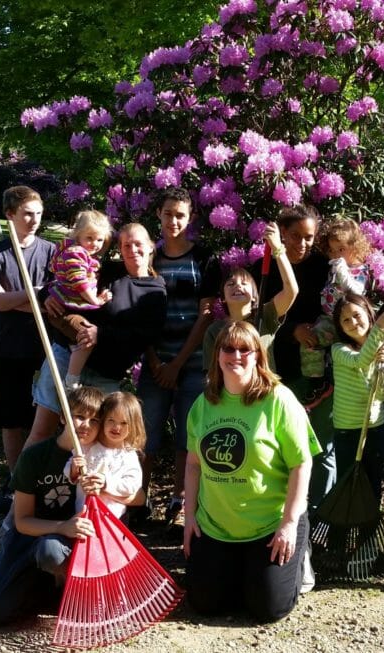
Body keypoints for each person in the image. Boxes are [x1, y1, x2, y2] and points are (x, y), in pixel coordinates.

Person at [183, 321, 319, 622]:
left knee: (268, 609)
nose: (236, 355)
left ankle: (299, 557)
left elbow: (302, 463)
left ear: (258, 355)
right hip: (216, 526)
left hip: (269, 525)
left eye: (245, 349)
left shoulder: (279, 400)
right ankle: (243, 571)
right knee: (204, 603)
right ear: (217, 355)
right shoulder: (204, 403)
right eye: (228, 348)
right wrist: (189, 516)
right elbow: (193, 465)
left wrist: (288, 523)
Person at [26, 222, 168, 447]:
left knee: (99, 442)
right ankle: (19, 482)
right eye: (126, 245)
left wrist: (101, 334)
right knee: (43, 431)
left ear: (151, 246)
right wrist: (46, 295)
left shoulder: (156, 291)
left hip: (106, 374)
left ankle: (82, 483)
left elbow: (143, 336)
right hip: (66, 357)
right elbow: (67, 279)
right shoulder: (107, 271)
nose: (132, 250)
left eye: (138, 244)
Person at [0, 385, 99, 625]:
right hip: (31, 536)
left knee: (52, 552)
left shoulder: (102, 458)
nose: (86, 424)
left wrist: (106, 486)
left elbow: (134, 497)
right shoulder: (35, 457)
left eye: (95, 419)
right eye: (80, 416)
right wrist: (63, 526)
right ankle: (5, 580)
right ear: (63, 416)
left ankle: (60, 589)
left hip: (77, 545)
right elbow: (22, 521)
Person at [138, 187, 219, 527]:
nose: (174, 221)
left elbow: (206, 317)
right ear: (158, 214)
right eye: (168, 213)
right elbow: (136, 313)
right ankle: (137, 500)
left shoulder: (205, 259)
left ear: (191, 219)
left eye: (181, 215)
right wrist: (155, 361)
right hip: (155, 363)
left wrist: (177, 362)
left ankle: (179, 502)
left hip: (192, 363)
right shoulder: (147, 259)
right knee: (145, 436)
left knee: (189, 439)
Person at [0, 186, 56, 506]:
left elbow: (55, 301)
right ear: (10, 215)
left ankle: (43, 477)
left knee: (48, 418)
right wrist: (35, 294)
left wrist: (13, 299)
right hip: (8, 349)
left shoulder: (52, 252)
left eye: (38, 213)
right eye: (27, 213)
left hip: (47, 348)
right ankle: (16, 481)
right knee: (13, 421)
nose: (34, 219)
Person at [254, 205, 333, 509]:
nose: (302, 243)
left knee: (319, 449)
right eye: (295, 236)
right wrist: (292, 332)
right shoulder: (261, 269)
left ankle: (317, 514)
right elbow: (258, 321)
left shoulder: (324, 267)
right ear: (282, 234)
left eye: (309, 237)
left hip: (317, 372)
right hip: (277, 368)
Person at [201, 221, 297, 372]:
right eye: (230, 284)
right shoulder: (214, 330)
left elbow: (291, 290)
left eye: (244, 283)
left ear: (254, 296)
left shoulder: (266, 315)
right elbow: (211, 373)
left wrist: (278, 249)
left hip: (264, 392)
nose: (238, 286)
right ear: (223, 298)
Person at [329, 293, 384, 494]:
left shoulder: (383, 350)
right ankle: (346, 524)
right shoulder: (339, 350)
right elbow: (360, 360)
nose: (353, 322)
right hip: (347, 430)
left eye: (357, 315)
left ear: (368, 313)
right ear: (339, 326)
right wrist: (380, 327)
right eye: (346, 320)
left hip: (374, 426)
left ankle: (369, 523)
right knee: (348, 483)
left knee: (372, 483)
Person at [48, 210, 113, 390]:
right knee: (87, 338)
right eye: (90, 238)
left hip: (71, 306)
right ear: (78, 234)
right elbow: (79, 282)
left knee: (80, 340)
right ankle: (71, 381)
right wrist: (97, 300)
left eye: (99, 240)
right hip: (66, 308)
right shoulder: (75, 253)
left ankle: (72, 375)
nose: (95, 244)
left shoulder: (81, 253)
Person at [301, 218, 374, 380]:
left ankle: (322, 382)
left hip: (346, 321)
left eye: (341, 249)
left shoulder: (360, 271)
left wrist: (342, 271)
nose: (336, 255)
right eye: (333, 251)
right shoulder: (336, 267)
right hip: (327, 318)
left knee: (341, 353)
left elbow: (356, 291)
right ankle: (315, 380)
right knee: (310, 342)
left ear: (355, 247)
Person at [65, 391, 145, 518]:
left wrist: (106, 483)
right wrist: (73, 469)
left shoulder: (128, 454)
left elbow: (132, 485)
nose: (116, 427)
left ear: (133, 426)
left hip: (114, 518)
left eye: (123, 423)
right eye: (111, 420)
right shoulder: (89, 445)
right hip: (84, 512)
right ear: (103, 420)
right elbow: (70, 469)